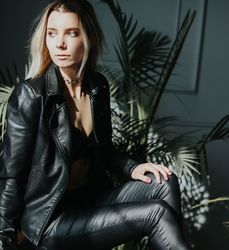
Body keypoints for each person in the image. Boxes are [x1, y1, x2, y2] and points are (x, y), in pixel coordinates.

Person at [0, 0, 191, 249]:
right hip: (51, 218)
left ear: (88, 37)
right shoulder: (30, 95)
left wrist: (134, 168)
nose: (59, 43)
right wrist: (4, 237)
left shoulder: (96, 87)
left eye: (71, 33)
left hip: (92, 201)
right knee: (155, 214)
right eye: (52, 33)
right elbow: (10, 176)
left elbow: (104, 151)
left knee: (165, 183)